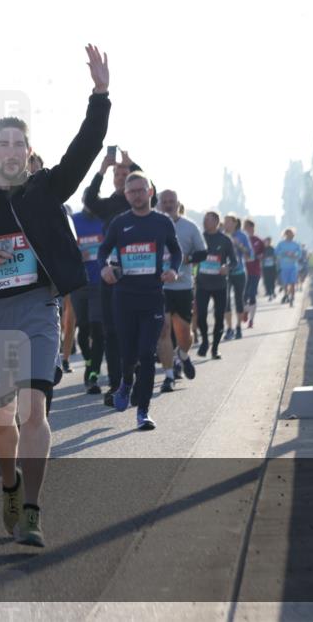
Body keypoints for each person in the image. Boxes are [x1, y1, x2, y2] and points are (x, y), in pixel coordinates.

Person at [0, 45, 111, 547]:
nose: (13, 151)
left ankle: (32, 510)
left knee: (34, 410)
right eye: (4, 144)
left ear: (26, 150)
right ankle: (10, 485)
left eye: (20, 143)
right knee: (1, 418)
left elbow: (85, 148)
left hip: (38, 308)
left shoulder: (44, 190)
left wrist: (100, 95)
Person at [99, 173, 181, 428]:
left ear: (150, 191)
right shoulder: (119, 223)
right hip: (124, 298)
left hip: (152, 297)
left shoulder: (162, 222)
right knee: (129, 354)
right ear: (126, 195)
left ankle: (142, 412)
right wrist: (104, 268)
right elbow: (103, 250)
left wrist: (174, 270)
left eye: (140, 190)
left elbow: (176, 251)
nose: (136, 194)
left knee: (147, 353)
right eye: (131, 191)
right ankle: (125, 382)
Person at [83, 148, 155, 405]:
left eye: (125, 173)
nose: (120, 175)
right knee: (110, 331)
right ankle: (117, 385)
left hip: (141, 278)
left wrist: (133, 163)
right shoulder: (108, 205)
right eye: (118, 172)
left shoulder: (141, 202)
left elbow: (151, 192)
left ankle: (133, 378)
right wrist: (102, 169)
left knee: (136, 332)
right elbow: (89, 199)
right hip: (112, 277)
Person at [156, 190, 206, 393]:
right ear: (159, 204)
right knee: (164, 329)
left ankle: (183, 356)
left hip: (184, 285)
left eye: (171, 202)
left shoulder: (189, 226)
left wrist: (187, 259)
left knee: (184, 333)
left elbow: (203, 252)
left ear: (178, 204)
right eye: (164, 201)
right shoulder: (153, 224)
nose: (168, 205)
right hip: (161, 287)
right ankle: (168, 376)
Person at [69, 203, 106, 393]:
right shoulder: (73, 221)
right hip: (79, 283)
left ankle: (93, 374)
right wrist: (75, 255)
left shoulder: (104, 220)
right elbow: (60, 247)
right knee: (82, 330)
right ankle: (88, 361)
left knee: (97, 329)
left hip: (99, 283)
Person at [195, 212, 238, 359]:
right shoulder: (199, 238)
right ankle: (205, 342)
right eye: (204, 219)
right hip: (201, 283)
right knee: (200, 315)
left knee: (219, 317)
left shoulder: (225, 240)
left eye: (208, 220)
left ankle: (215, 348)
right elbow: (192, 255)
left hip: (219, 284)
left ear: (216, 222)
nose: (205, 222)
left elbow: (234, 261)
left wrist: (227, 267)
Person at [221, 214, 252, 342]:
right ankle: (229, 328)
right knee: (225, 301)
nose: (226, 223)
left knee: (239, 300)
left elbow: (249, 255)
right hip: (225, 273)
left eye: (228, 221)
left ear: (235, 223)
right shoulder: (221, 235)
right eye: (225, 221)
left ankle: (238, 327)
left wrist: (238, 245)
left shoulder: (242, 235)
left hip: (239, 272)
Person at [242, 219, 265, 329]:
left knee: (252, 295)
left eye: (247, 226)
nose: (245, 228)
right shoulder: (241, 239)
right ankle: (246, 310)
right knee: (244, 295)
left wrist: (257, 257)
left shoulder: (258, 240)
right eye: (244, 226)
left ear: (252, 227)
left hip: (255, 271)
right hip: (244, 271)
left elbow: (263, 254)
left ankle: (251, 320)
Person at [276, 228, 301, 306]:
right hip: (284, 266)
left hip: (293, 266)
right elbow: (276, 252)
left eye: (292, 234)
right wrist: (285, 253)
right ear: (285, 235)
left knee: (293, 282)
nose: (290, 236)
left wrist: (294, 255)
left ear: (293, 235)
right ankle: (286, 295)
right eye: (288, 234)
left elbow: (299, 254)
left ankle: (292, 298)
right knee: (285, 283)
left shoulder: (296, 244)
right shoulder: (281, 244)